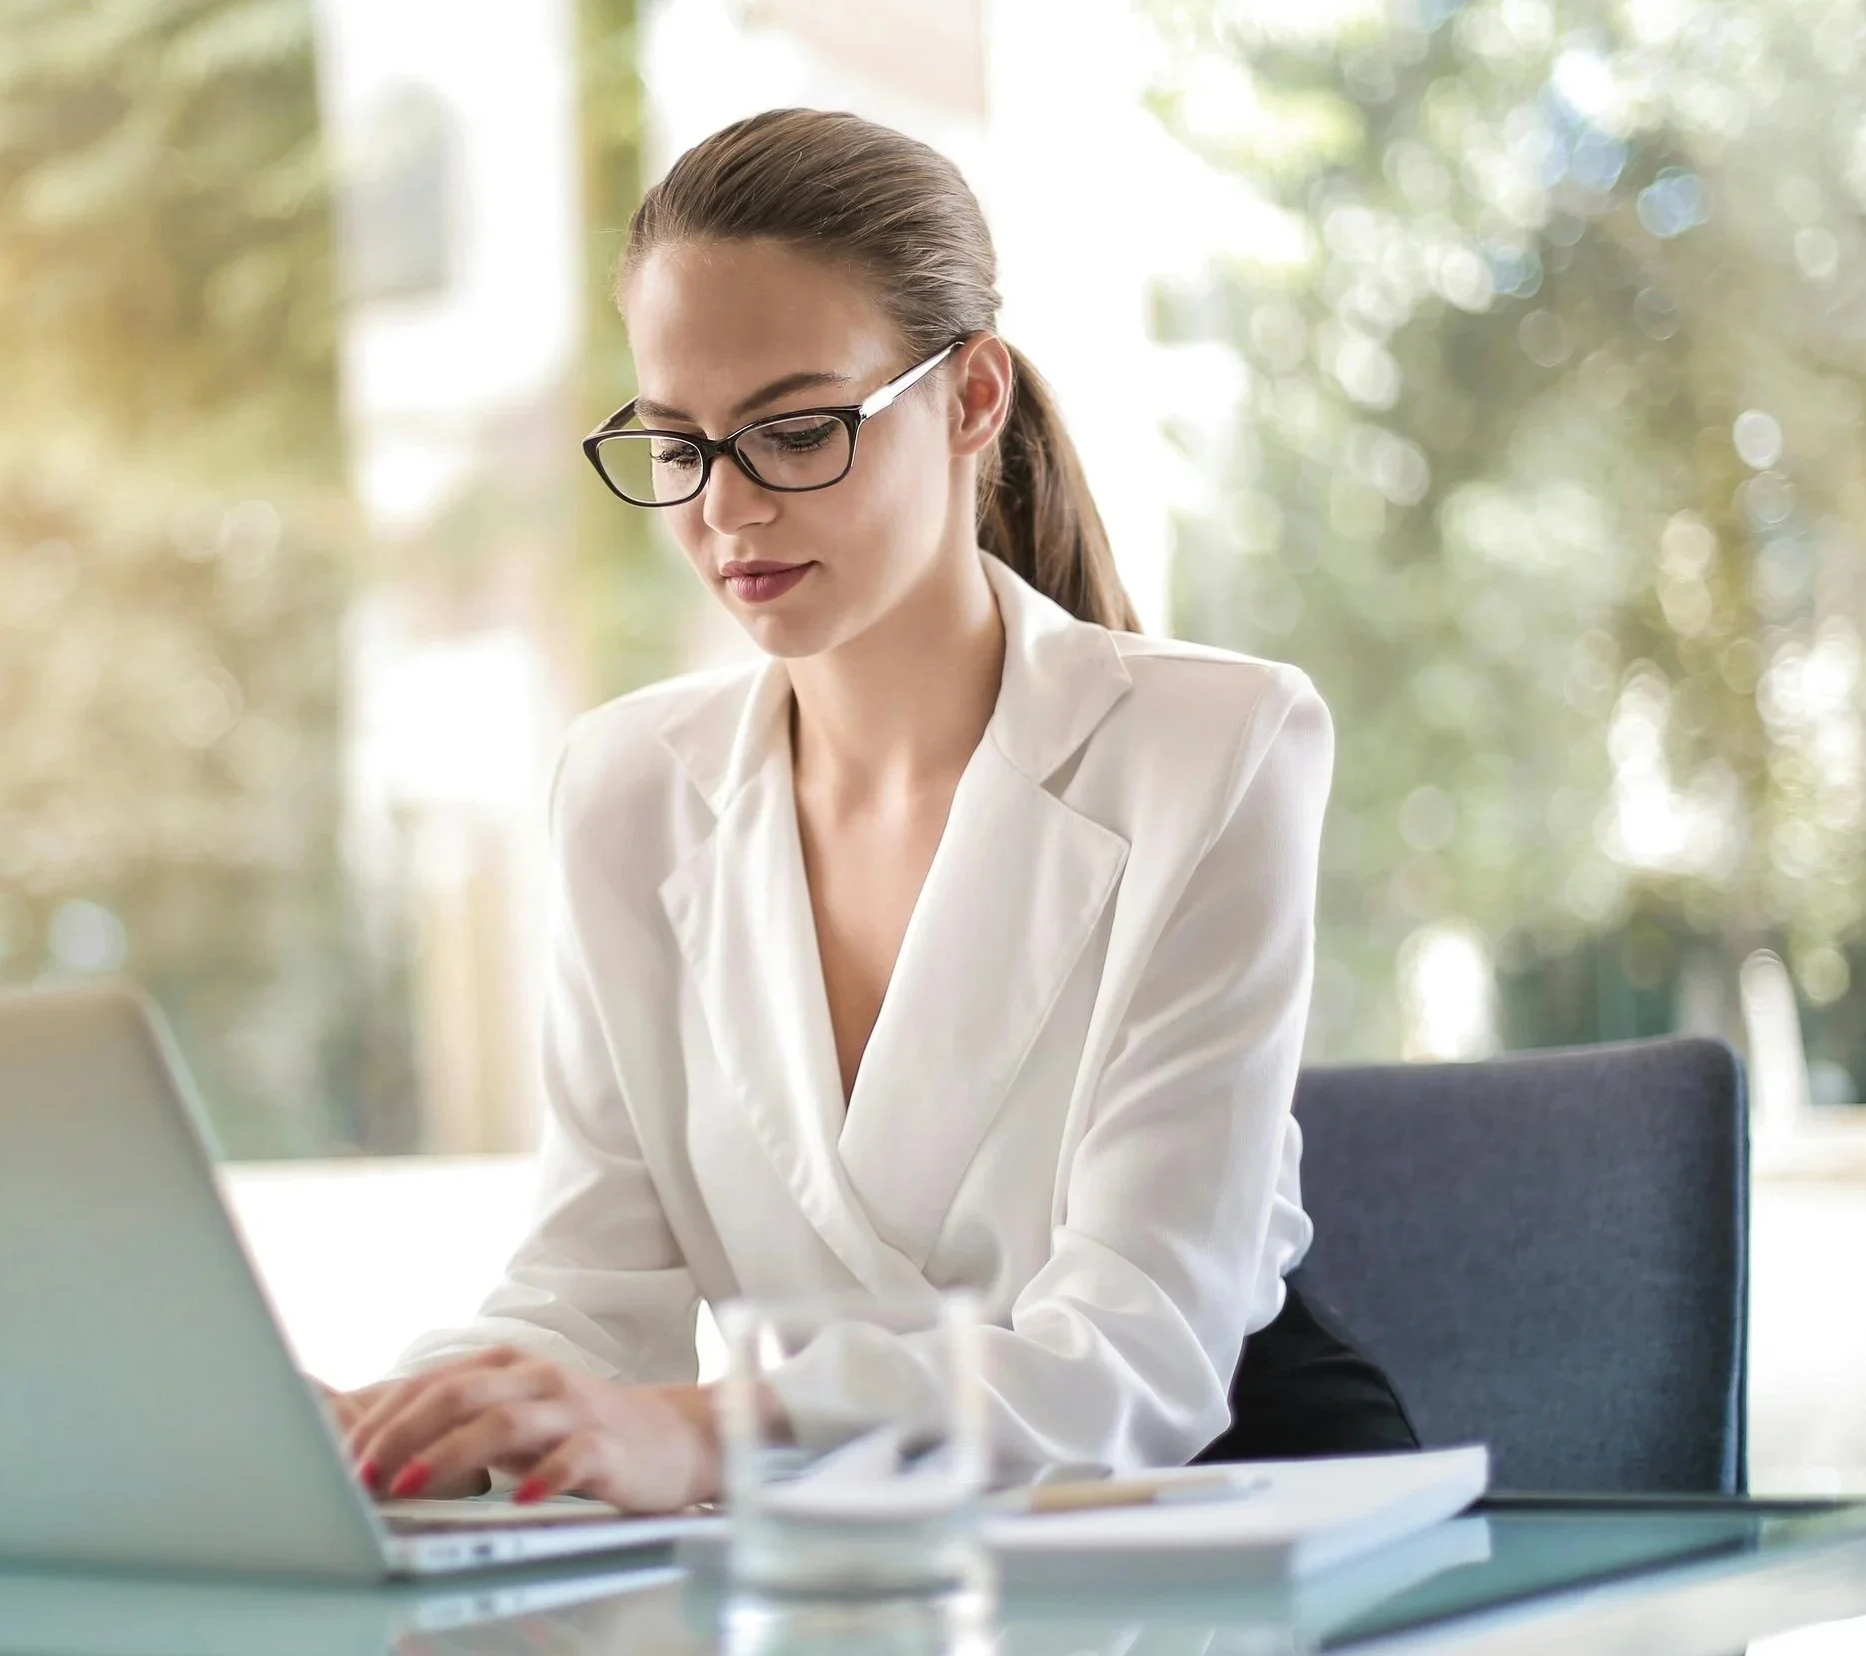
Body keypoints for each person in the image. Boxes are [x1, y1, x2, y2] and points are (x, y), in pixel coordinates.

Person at [335, 108, 1415, 1514]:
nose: (725, 509)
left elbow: (1133, 1359)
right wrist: (397, 1426)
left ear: (972, 399)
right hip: (853, 1542)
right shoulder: (626, 789)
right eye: (678, 442)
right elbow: (588, 1289)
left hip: (1210, 1510)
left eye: (793, 432)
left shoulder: (1214, 746)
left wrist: (711, 1437)